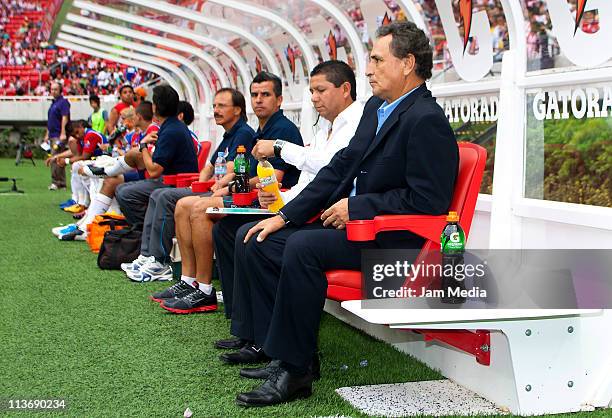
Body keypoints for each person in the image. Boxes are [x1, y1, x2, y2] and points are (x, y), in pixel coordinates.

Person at [221, 21, 459, 406]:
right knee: (260, 239)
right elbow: (340, 168)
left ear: (408, 63)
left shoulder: (426, 119)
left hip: (396, 244)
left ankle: (296, 373)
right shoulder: (377, 108)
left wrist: (357, 207)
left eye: (378, 60)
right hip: (359, 231)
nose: (368, 69)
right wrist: (285, 216)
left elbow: (428, 202)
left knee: (302, 248)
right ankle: (281, 351)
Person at [212, 61, 363, 326]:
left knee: (256, 239)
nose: (314, 98)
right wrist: (283, 201)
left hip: (330, 216)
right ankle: (247, 329)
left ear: (345, 89)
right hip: (311, 208)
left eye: (321, 90)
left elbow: (328, 168)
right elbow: (307, 182)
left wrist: (280, 149)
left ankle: (265, 336)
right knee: (233, 231)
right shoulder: (324, 127)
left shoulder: (356, 123)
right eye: (312, 91)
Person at [151, 72, 303, 314]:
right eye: (255, 94)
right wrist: (229, 181)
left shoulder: (283, 128)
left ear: (280, 100)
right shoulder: (259, 131)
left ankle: (204, 289)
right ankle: (189, 281)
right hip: (252, 196)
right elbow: (238, 168)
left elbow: (275, 177)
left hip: (272, 202)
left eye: (266, 95)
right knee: (183, 205)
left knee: (199, 208)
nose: (259, 100)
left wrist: (230, 185)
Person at [122, 91, 255, 282]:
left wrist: (214, 184)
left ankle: (160, 260)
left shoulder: (243, 132)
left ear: (237, 110)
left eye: (221, 106)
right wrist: (201, 183)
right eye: (214, 106)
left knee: (163, 196)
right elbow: (210, 165)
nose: (216, 110)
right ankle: (149, 256)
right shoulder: (229, 133)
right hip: (210, 187)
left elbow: (231, 168)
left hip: (226, 191)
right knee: (157, 194)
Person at [114, 84, 199, 228]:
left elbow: (153, 171)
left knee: (125, 193)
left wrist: (143, 146)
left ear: (155, 107)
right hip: (175, 180)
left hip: (175, 183)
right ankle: (144, 228)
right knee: (121, 189)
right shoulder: (174, 126)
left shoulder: (170, 130)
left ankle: (145, 230)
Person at [44, 81, 70, 190]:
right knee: (55, 157)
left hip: (59, 135)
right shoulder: (53, 104)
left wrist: (63, 132)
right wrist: (47, 134)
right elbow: (51, 121)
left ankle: (58, 182)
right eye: (52, 89)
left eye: (55, 89)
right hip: (52, 134)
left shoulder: (63, 102)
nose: (53, 91)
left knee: (56, 157)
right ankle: (58, 182)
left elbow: (65, 117)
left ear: (60, 91)